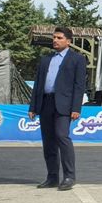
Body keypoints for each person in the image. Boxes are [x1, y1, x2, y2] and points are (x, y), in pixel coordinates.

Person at [28, 27, 87, 191]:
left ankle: (69, 176)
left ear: (68, 41)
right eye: (54, 37)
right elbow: (38, 84)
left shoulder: (77, 59)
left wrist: (76, 108)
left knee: (62, 136)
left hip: (64, 105)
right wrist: (33, 106)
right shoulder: (46, 59)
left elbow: (79, 85)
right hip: (45, 103)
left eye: (59, 38)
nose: (55, 40)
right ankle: (52, 177)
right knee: (48, 142)